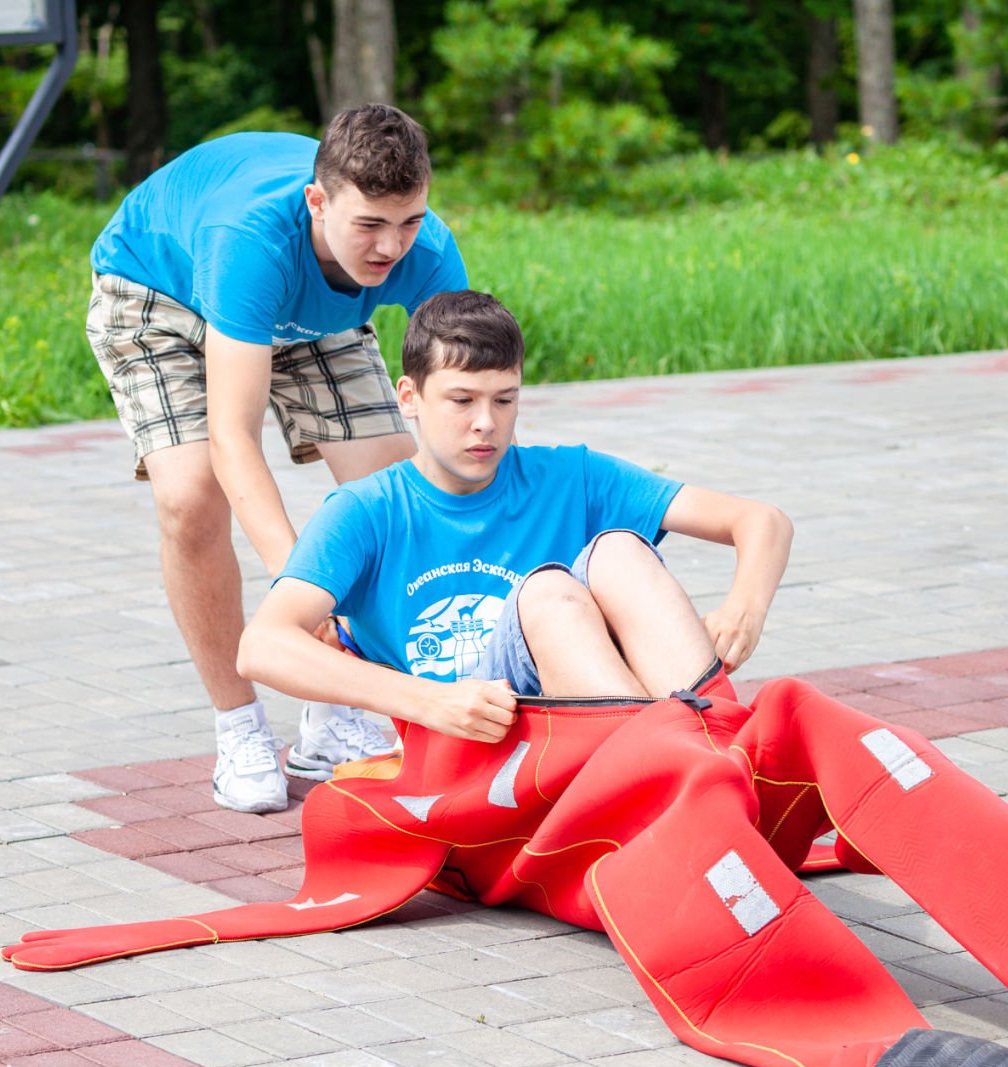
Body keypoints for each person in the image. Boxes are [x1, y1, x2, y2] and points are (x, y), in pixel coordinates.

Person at [85, 104, 467, 813]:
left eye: (409, 220)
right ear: (318, 201)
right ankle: (239, 727)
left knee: (397, 494)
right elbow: (234, 437)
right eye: (370, 224)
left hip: (311, 315)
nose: (391, 246)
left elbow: (465, 406)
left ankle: (333, 717)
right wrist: (300, 588)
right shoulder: (250, 238)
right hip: (160, 294)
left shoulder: (426, 249)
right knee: (192, 496)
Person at [236, 289, 793, 737]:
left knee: (621, 550)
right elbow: (262, 646)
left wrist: (744, 608)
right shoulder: (366, 511)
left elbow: (761, 521)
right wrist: (427, 700)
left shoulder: (571, 476)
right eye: (462, 400)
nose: (486, 422)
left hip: (587, 725)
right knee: (547, 594)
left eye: (504, 399)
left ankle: (710, 751)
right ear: (409, 398)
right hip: (472, 741)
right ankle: (680, 764)